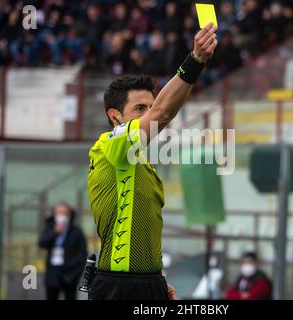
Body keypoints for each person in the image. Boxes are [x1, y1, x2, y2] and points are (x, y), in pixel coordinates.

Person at [87, 22, 218, 300]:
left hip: (148, 283)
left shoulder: (140, 160)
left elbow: (143, 228)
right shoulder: (111, 146)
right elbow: (163, 114)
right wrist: (195, 61)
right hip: (118, 286)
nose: (148, 113)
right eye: (139, 109)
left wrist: (156, 279)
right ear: (115, 116)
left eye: (149, 106)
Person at [38, 203, 87, 300]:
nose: (62, 216)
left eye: (65, 213)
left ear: (69, 215)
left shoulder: (76, 231)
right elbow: (42, 243)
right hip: (52, 273)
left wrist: (75, 274)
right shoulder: (50, 228)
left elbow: (83, 254)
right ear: (54, 215)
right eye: (59, 213)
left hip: (69, 274)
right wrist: (55, 232)